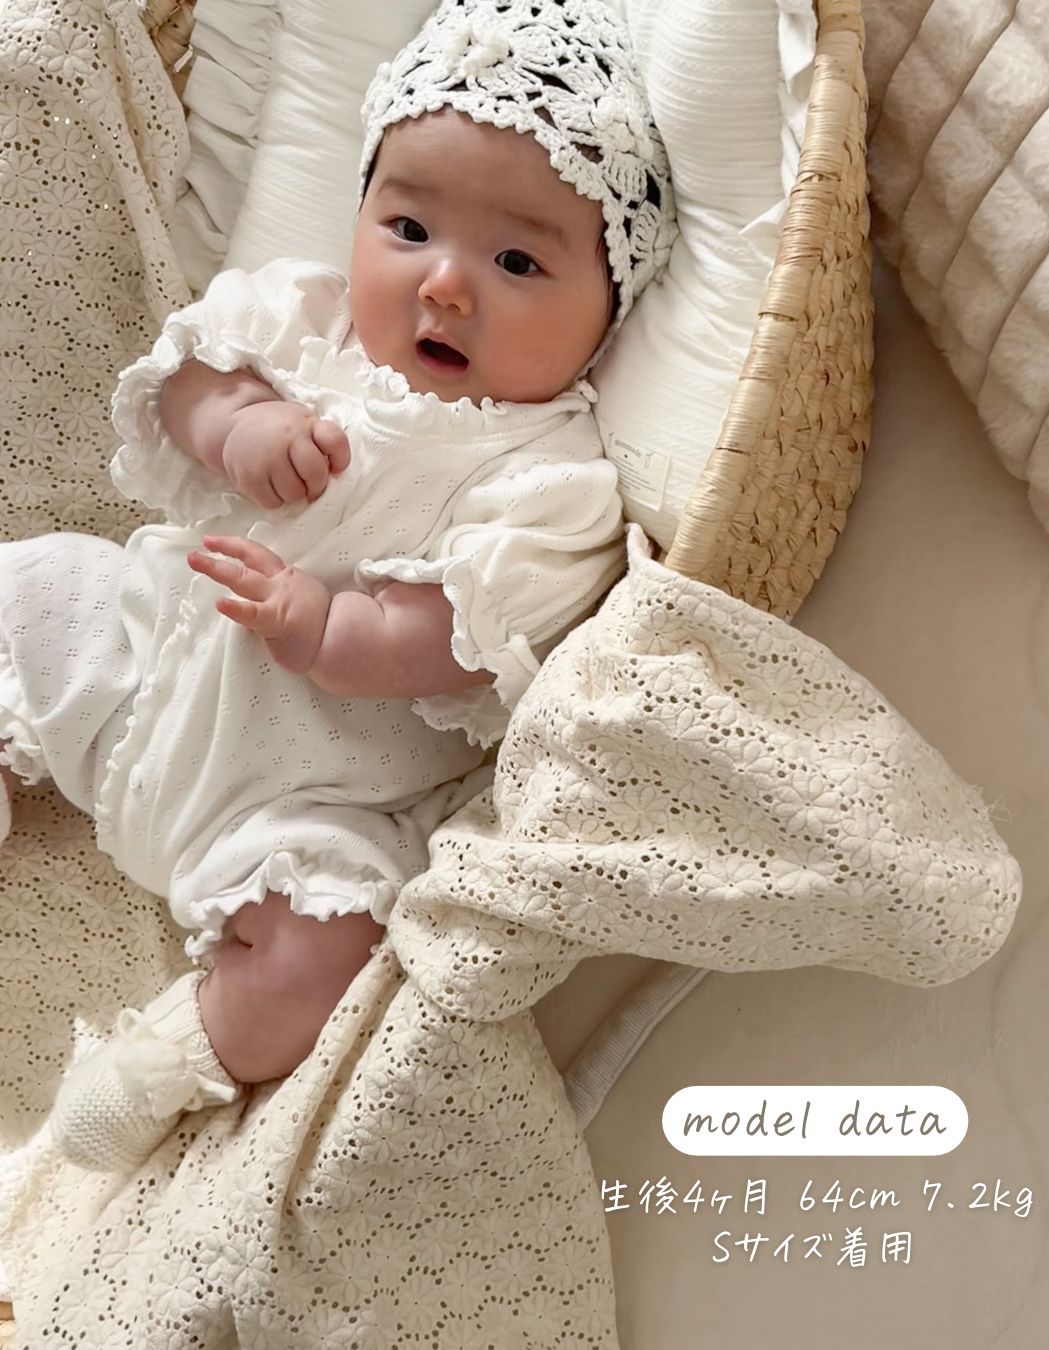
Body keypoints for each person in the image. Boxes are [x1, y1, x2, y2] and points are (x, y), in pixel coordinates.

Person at [0, 0, 675, 1173]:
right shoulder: (307, 322)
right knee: (38, 582)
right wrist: (239, 424)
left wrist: (333, 627)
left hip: (297, 801)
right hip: (142, 659)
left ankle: (171, 1056)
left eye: (517, 261)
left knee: (336, 941)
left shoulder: (550, 477)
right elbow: (184, 375)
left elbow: (467, 634)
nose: (445, 284)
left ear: (609, 314)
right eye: (408, 227)